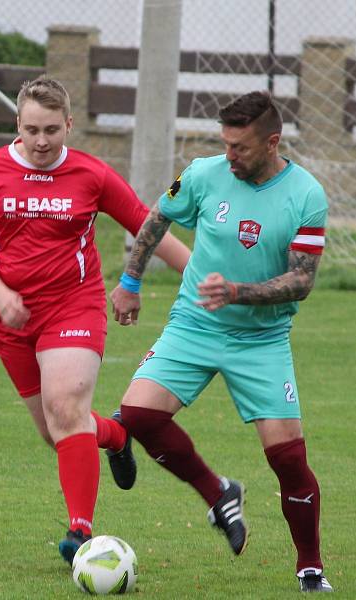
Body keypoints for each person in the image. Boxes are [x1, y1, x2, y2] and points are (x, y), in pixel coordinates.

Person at [0, 76, 190, 564]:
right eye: (33, 129)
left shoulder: (91, 175)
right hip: (11, 317)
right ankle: (116, 434)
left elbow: (146, 225)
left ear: (69, 126)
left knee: (65, 409)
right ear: (17, 124)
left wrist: (203, 275)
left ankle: (80, 532)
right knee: (56, 432)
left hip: (73, 305)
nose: (42, 141)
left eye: (52, 131)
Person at [110, 91, 333, 593]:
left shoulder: (305, 195)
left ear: (272, 142)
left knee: (289, 461)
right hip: (194, 323)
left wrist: (238, 292)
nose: (229, 155)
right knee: (140, 414)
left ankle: (310, 568)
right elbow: (156, 218)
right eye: (226, 144)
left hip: (262, 339)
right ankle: (219, 493)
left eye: (241, 148)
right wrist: (130, 282)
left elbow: (302, 281)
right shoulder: (203, 174)